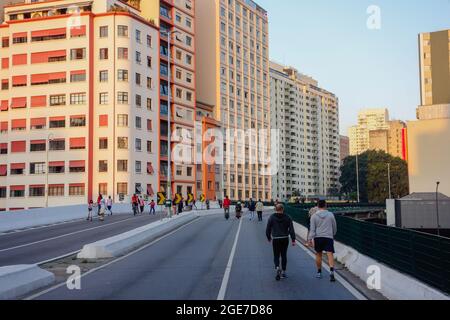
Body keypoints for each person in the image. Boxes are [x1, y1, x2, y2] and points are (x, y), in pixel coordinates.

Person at [308, 200, 337, 282]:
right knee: (330, 254)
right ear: (325, 205)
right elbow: (334, 226)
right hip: (328, 237)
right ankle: (331, 271)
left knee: (318, 254)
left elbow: (312, 230)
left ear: (317, 206)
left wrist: (310, 239)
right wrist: (333, 234)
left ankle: (319, 272)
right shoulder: (330, 215)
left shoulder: (313, 216)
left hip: (318, 237)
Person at [266, 204, 296, 281]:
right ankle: (283, 272)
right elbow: (291, 229)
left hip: (276, 238)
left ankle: (277, 267)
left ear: (276, 209)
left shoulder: (272, 217)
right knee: (284, 255)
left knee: (276, 255)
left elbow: (268, 228)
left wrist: (269, 237)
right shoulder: (288, 217)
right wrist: (293, 240)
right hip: (285, 238)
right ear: (283, 209)